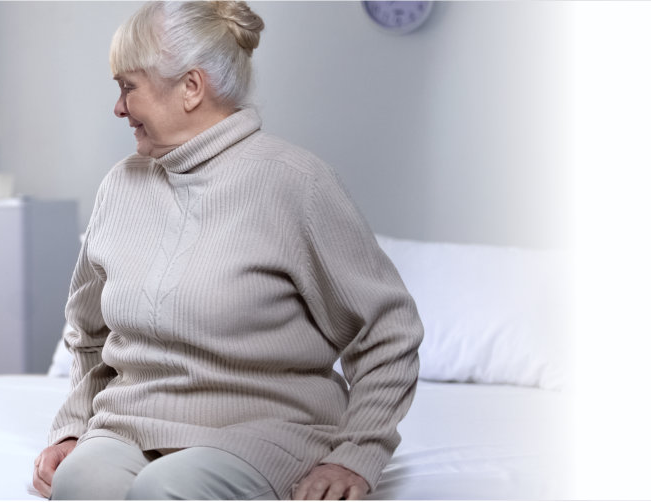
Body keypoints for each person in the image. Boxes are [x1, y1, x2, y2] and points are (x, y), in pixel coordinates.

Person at [28, 1, 424, 500]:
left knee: (164, 491)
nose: (118, 107)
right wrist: (71, 428)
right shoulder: (120, 185)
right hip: (128, 423)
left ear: (191, 87)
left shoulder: (295, 183)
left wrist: (357, 456)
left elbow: (388, 331)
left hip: (263, 428)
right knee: (79, 484)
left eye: (129, 87)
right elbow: (88, 333)